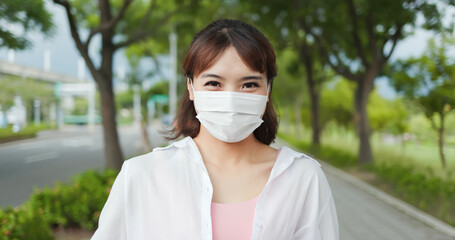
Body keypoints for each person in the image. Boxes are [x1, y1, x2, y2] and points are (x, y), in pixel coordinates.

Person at [92, 19, 339, 240]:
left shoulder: (303, 178)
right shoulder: (141, 175)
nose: (230, 98)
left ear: (268, 90)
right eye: (213, 83)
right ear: (190, 87)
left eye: (249, 84)